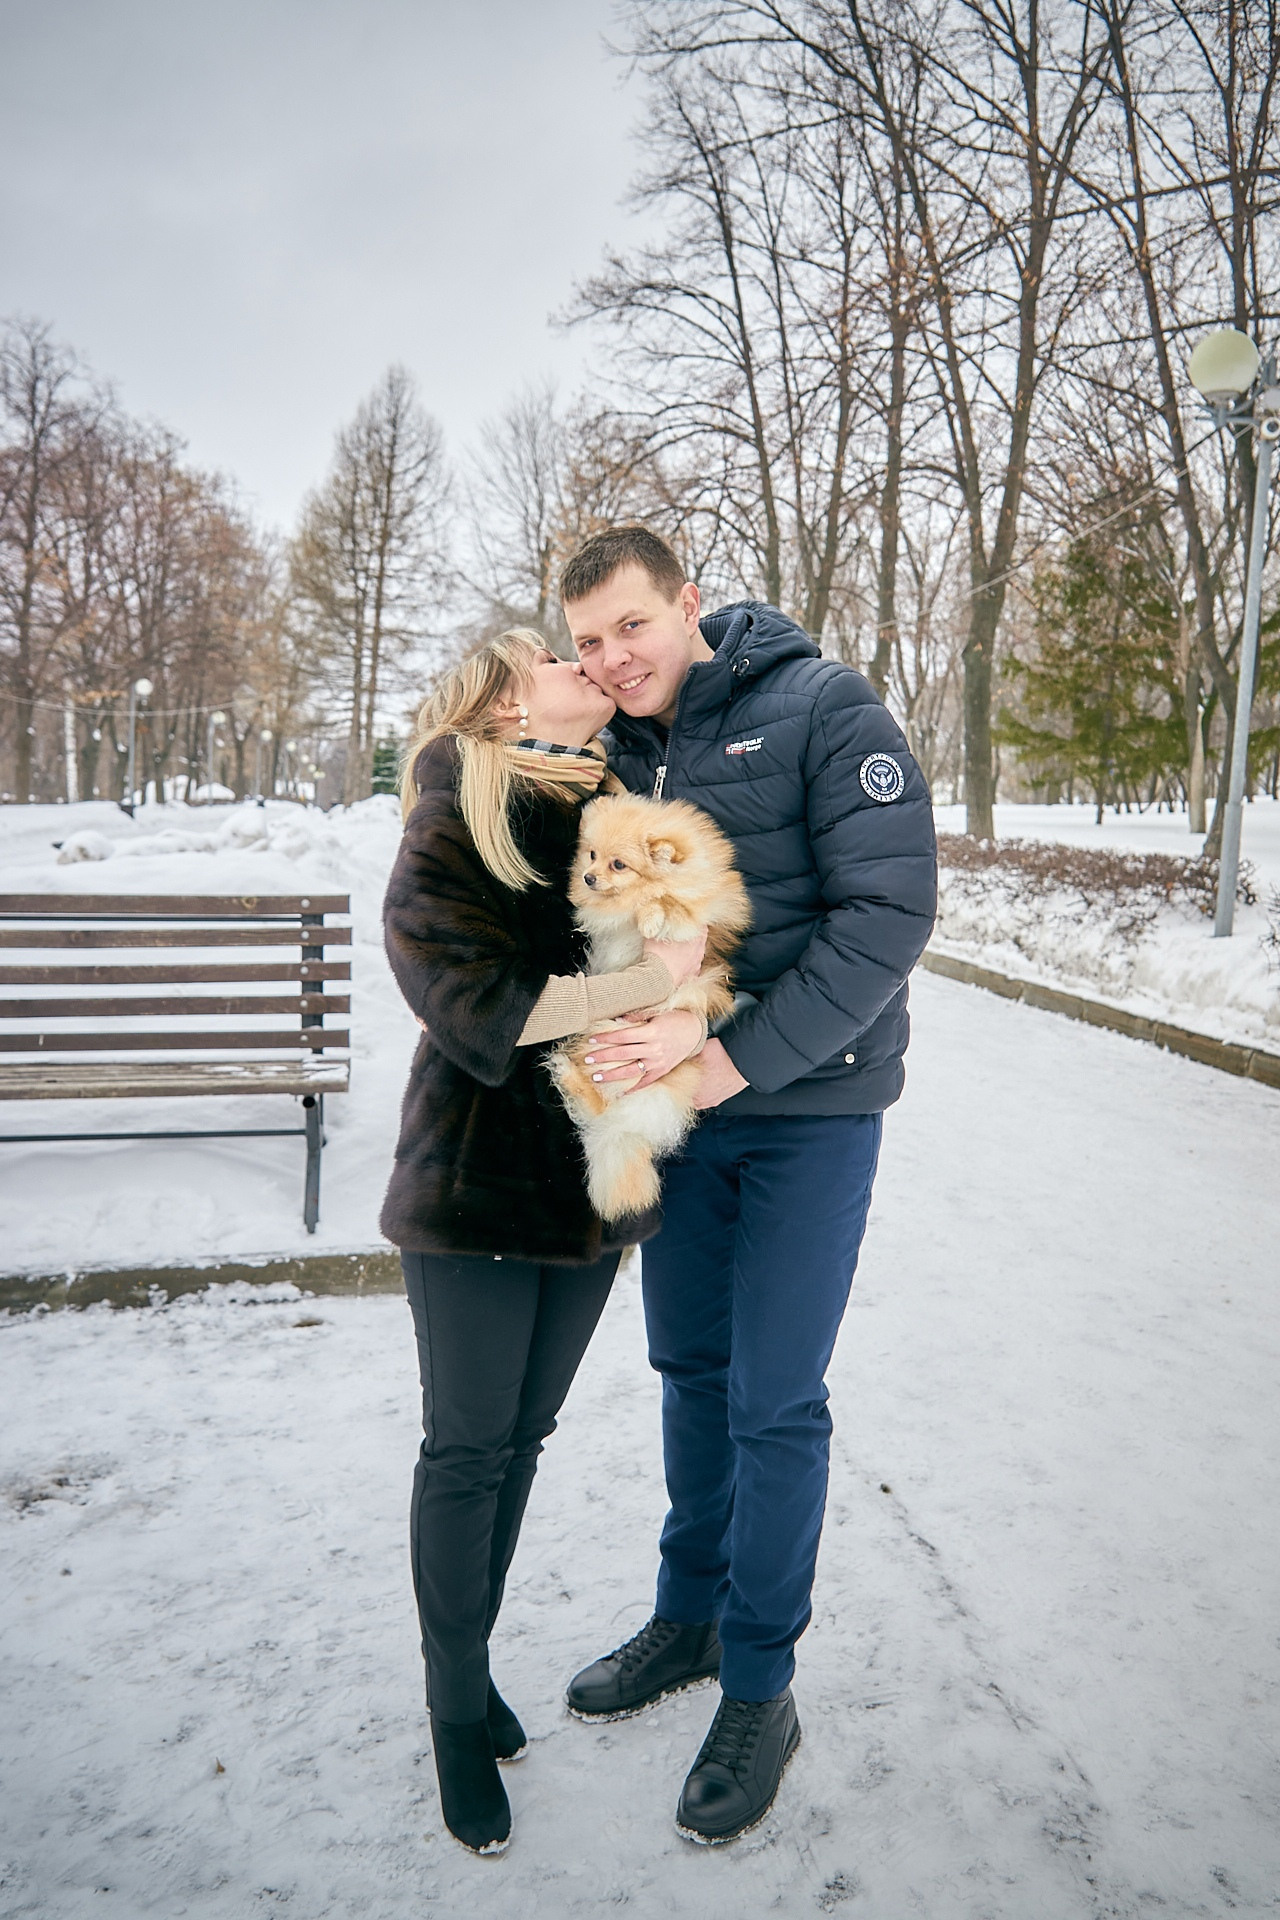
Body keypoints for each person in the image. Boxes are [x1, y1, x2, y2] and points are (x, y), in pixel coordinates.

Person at [558, 528, 938, 1846]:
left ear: (689, 606)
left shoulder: (824, 708)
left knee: (775, 1399)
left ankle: (763, 1685)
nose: (610, 659)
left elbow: (889, 913)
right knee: (690, 1368)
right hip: (682, 1120)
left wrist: (722, 1062)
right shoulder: (614, 744)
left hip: (808, 1111)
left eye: (629, 628)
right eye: (588, 640)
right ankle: (692, 1616)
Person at [380, 627, 709, 1855]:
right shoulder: (452, 816)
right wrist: (639, 985)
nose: (590, 668)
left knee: (522, 1441)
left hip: (587, 1183)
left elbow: (678, 965)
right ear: (507, 699)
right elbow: (477, 1012)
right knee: (467, 1449)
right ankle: (454, 1710)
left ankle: (470, 1666)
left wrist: (678, 980)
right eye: (558, 659)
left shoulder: (616, 814)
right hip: (473, 1184)